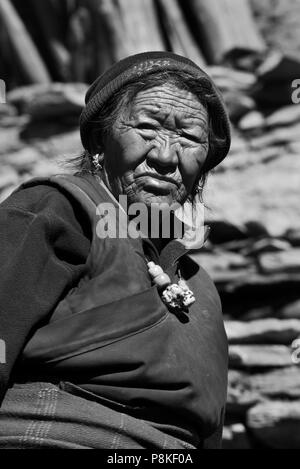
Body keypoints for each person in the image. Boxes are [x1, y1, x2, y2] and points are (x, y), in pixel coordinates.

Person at [0, 51, 230, 449]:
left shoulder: (199, 285)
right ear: (99, 139)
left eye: (190, 138)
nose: (164, 156)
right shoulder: (54, 212)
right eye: (146, 127)